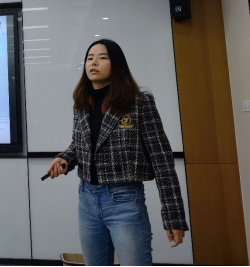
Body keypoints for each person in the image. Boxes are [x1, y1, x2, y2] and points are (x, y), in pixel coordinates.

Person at [47, 39, 188, 266]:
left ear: (117, 64)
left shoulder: (139, 102)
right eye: (89, 58)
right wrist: (65, 158)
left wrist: (174, 217)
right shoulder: (82, 102)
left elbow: (162, 160)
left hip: (124, 200)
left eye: (102, 57)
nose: (93, 62)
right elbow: (79, 144)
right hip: (87, 198)